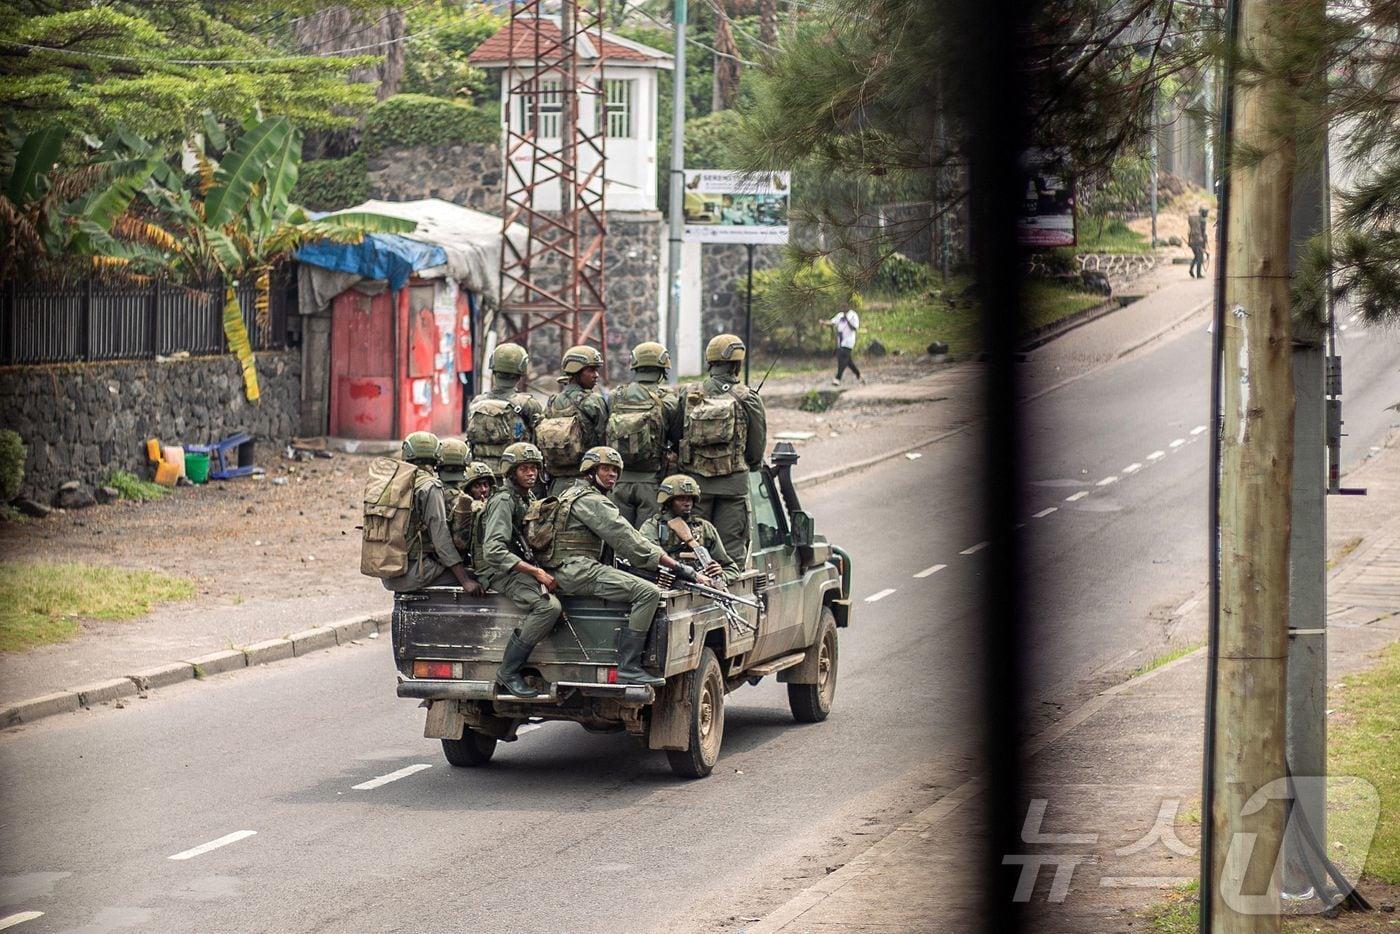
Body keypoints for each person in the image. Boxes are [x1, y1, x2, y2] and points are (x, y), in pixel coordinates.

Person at [533, 447, 704, 687]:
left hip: (569, 568)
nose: (612, 475)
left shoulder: (573, 493)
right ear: (591, 472)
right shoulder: (591, 500)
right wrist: (678, 567)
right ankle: (629, 667)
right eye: (605, 469)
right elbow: (628, 540)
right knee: (648, 593)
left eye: (615, 470)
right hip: (578, 571)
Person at [475, 443, 563, 698]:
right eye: (524, 468)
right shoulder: (504, 500)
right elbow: (493, 551)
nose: (531, 473)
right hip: (496, 570)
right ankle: (509, 671)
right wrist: (536, 573)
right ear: (511, 472)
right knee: (549, 607)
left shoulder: (526, 498)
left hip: (515, 564)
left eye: (534, 468)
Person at [676, 334, 767, 565]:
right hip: (733, 487)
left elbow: (676, 435)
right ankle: (732, 596)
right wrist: (749, 465)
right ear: (737, 365)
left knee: (692, 548)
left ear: (710, 362)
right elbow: (756, 449)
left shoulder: (689, 394)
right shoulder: (748, 398)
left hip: (694, 487)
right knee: (730, 551)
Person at [379, 431, 483, 596]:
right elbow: (441, 538)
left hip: (388, 572)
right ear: (436, 457)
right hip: (413, 573)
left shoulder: (394, 481)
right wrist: (465, 581)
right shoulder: (430, 487)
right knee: (480, 578)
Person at [607, 341, 681, 527]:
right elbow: (679, 440)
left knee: (618, 542)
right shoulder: (668, 400)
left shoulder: (615, 397)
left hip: (617, 481)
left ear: (635, 365)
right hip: (652, 482)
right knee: (648, 543)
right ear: (663, 368)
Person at [639, 474, 742, 584]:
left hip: (703, 587)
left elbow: (731, 569)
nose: (687, 503)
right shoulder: (653, 527)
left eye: (689, 499)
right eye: (681, 499)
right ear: (669, 501)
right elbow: (649, 559)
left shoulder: (704, 527)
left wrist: (720, 574)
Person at [539, 344, 609, 495]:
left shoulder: (552, 402)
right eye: (591, 370)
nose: (596, 375)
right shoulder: (594, 401)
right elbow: (605, 441)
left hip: (555, 483)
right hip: (586, 483)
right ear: (576, 372)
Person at [467, 342, 543, 477]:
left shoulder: (477, 403)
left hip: (480, 475)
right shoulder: (528, 404)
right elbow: (540, 441)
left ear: (493, 368)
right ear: (522, 370)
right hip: (515, 475)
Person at [449, 460, 496, 557]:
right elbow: (461, 543)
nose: (483, 490)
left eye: (486, 485)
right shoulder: (459, 506)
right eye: (477, 486)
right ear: (468, 489)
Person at [827, 305, 863, 384]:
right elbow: (832, 322)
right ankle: (859, 375)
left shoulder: (853, 315)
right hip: (841, 342)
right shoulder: (839, 315)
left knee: (841, 358)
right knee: (848, 361)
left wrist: (847, 319)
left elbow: (854, 328)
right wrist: (824, 322)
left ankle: (837, 378)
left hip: (849, 341)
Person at [1188, 207, 1208, 279]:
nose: (1207, 214)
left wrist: (1189, 241)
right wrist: (1204, 244)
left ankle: (1191, 269)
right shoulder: (1202, 221)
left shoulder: (1194, 221)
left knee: (1196, 256)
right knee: (1200, 257)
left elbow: (1189, 231)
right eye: (1206, 212)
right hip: (1199, 241)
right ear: (1203, 213)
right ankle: (1198, 274)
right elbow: (1203, 233)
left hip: (1192, 241)